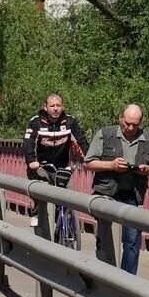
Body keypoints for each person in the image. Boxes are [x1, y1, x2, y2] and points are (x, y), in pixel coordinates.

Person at [88, 104, 149, 275]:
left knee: (132, 240)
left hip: (132, 195)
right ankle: (104, 276)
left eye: (135, 125)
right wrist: (111, 165)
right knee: (106, 239)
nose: (130, 128)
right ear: (120, 118)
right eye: (127, 123)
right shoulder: (105, 134)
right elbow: (88, 164)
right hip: (106, 194)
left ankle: (127, 281)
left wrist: (148, 170)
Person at [22, 94, 88, 245]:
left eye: (58, 105)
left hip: (61, 167)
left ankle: (67, 225)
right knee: (42, 193)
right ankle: (37, 213)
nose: (56, 109)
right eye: (52, 106)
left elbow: (82, 140)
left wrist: (89, 158)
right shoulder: (35, 122)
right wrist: (32, 160)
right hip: (41, 167)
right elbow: (28, 144)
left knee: (67, 198)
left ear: (62, 106)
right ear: (45, 107)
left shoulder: (70, 122)